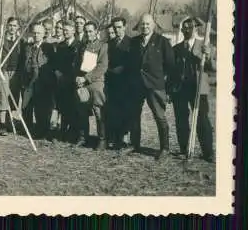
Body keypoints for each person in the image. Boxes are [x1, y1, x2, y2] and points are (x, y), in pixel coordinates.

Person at [127, 13, 175, 160]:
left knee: (159, 116)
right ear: (139, 26)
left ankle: (164, 149)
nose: (145, 26)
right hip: (137, 85)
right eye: (142, 24)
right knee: (134, 115)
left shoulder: (162, 42)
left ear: (153, 25)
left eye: (148, 24)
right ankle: (135, 145)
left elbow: (170, 65)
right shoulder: (134, 42)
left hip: (155, 85)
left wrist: (165, 83)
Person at [169, 17, 215, 162]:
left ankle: (208, 152)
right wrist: (170, 90)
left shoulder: (205, 47)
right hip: (180, 89)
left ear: (196, 29)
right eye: (185, 27)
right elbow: (171, 71)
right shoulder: (176, 49)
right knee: (181, 120)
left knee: (202, 120)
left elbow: (214, 68)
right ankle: (184, 149)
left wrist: (207, 57)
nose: (188, 30)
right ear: (182, 30)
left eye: (191, 27)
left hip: (198, 89)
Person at [74, 21, 108, 149]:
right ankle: (83, 137)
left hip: (96, 82)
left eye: (91, 31)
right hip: (82, 82)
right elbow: (78, 63)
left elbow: (102, 66)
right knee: (81, 110)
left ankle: (102, 139)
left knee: (98, 111)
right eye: (86, 31)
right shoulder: (82, 46)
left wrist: (87, 78)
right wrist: (78, 76)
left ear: (96, 32)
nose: (88, 34)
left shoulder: (103, 46)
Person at [20, 23, 55, 139]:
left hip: (42, 81)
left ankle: (42, 130)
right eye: (34, 32)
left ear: (44, 34)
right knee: (26, 105)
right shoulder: (27, 47)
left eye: (39, 33)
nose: (36, 35)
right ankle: (28, 129)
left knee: (42, 107)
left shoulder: (49, 48)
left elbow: (52, 65)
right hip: (28, 81)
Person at [53, 20, 82, 142]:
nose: (65, 32)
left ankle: (75, 133)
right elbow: (57, 63)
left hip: (75, 80)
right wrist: (58, 72)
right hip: (63, 80)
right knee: (63, 106)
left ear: (73, 31)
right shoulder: (60, 46)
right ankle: (63, 132)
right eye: (64, 30)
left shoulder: (80, 45)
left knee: (75, 107)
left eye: (67, 30)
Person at [106, 17, 132, 150]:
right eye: (115, 27)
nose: (117, 30)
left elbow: (134, 61)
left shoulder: (131, 43)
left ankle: (124, 138)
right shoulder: (109, 43)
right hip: (112, 81)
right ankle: (114, 137)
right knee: (113, 111)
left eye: (120, 27)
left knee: (125, 111)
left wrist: (123, 68)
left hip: (126, 82)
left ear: (125, 27)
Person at [0, 17, 23, 136]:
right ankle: (2, 124)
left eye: (15, 26)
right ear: (7, 26)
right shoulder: (1, 38)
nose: (12, 28)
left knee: (13, 97)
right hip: (4, 70)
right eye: (10, 25)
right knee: (3, 98)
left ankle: (9, 121)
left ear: (18, 28)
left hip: (15, 72)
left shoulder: (20, 40)